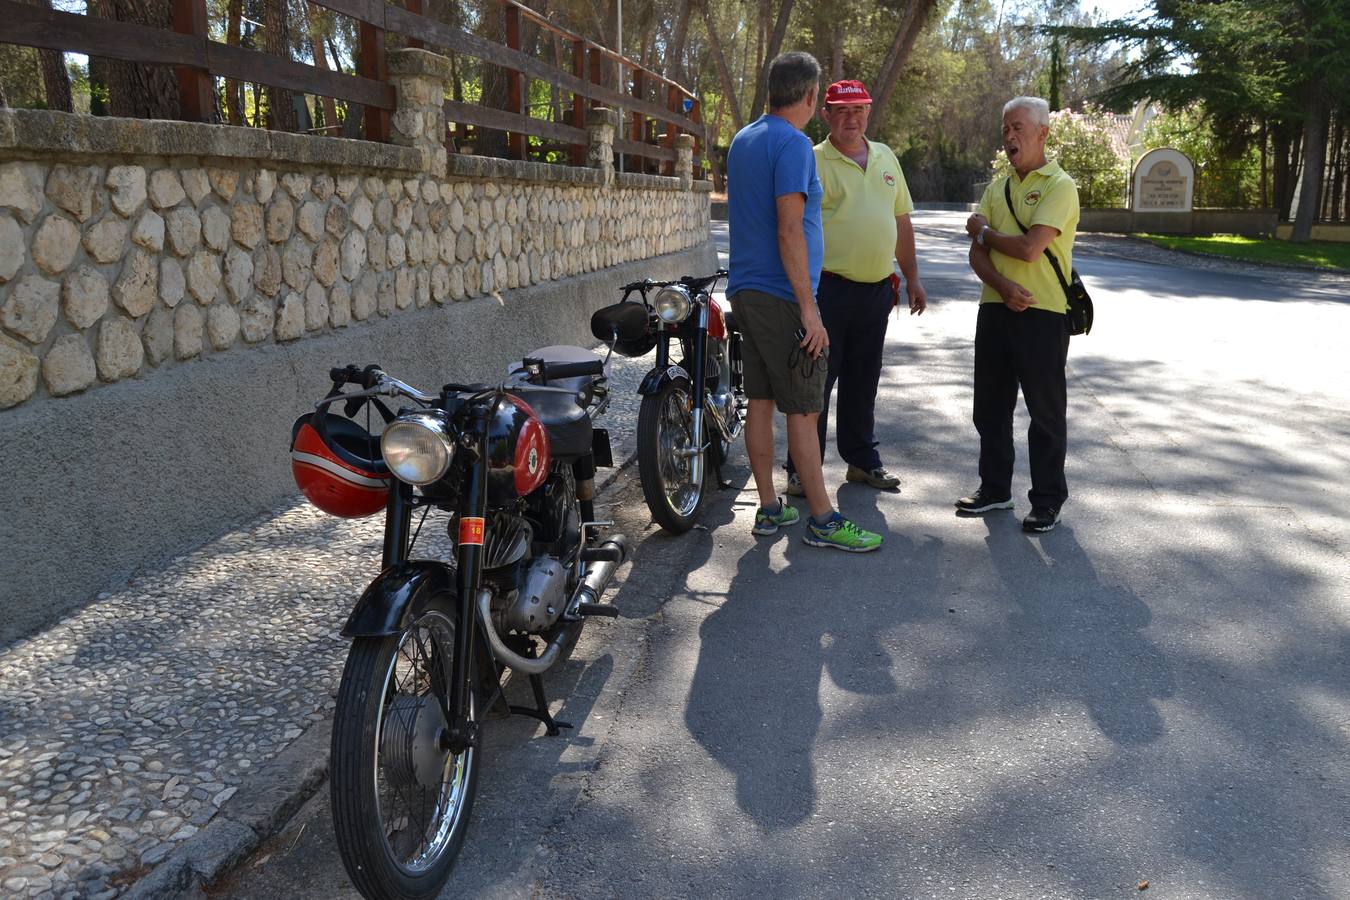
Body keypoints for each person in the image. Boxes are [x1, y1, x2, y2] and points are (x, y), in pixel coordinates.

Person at [725, 52, 883, 552]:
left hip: (747, 291)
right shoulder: (793, 145)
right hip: (782, 296)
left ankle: (771, 507)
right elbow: (790, 228)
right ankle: (822, 518)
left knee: (762, 400)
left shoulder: (744, 139)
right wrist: (810, 309)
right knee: (804, 407)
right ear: (813, 97)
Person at [783, 78, 927, 497]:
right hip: (827, 291)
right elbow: (792, 225)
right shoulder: (812, 159)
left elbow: (900, 219)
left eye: (858, 110)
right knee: (816, 384)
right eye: (841, 111)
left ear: (868, 112)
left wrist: (913, 276)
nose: (851, 118)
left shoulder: (885, 156)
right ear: (825, 114)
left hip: (876, 291)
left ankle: (862, 461)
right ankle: (800, 470)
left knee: (864, 381)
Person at [959, 96, 1080, 533]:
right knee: (990, 408)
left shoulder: (1059, 185)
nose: (1010, 136)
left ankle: (1047, 500)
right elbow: (976, 256)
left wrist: (986, 231)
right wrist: (1003, 285)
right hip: (996, 308)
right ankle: (994, 489)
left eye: (1019, 128)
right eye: (1006, 129)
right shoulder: (999, 187)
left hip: (1042, 312)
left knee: (1045, 413)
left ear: (1043, 133)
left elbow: (1031, 248)